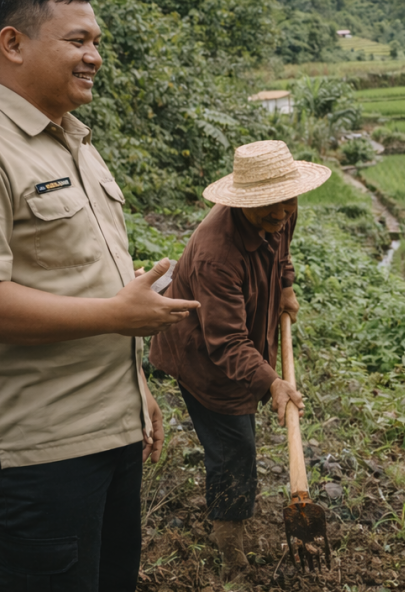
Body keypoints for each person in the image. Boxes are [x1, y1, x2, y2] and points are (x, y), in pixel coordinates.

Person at [0, 0, 199, 591]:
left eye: (97, 42)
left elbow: (84, 280)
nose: (94, 57)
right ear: (13, 44)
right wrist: (120, 318)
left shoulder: (73, 144)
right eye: (78, 41)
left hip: (105, 431)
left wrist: (133, 380)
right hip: (34, 454)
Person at [149, 139, 327, 583]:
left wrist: (284, 285)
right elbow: (226, 343)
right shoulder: (216, 254)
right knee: (234, 452)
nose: (282, 213)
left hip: (241, 335)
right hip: (203, 356)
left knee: (240, 444)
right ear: (244, 200)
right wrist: (272, 383)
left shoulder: (282, 206)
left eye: (287, 201)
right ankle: (232, 554)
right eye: (270, 205)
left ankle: (234, 527)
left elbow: (282, 249)